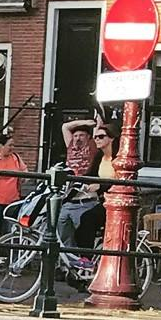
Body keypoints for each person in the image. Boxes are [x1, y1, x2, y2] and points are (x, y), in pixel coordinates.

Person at [54, 115, 116, 275]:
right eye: (96, 137)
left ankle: (85, 261)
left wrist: (100, 186)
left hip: (113, 202)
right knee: (68, 224)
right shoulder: (100, 157)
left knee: (86, 220)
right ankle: (75, 263)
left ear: (111, 139)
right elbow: (91, 173)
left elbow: (120, 180)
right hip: (94, 197)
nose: (97, 139)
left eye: (100, 137)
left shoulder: (117, 159)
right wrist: (83, 183)